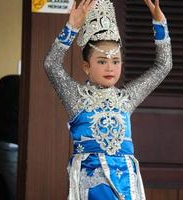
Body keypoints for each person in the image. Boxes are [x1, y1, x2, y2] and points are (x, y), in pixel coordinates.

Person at [44, 0, 172, 199]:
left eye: (115, 61)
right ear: (86, 66)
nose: (110, 68)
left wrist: (160, 24)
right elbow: (51, 64)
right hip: (92, 186)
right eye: (102, 61)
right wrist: (71, 28)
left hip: (126, 184)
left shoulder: (126, 98)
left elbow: (163, 66)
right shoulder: (76, 97)